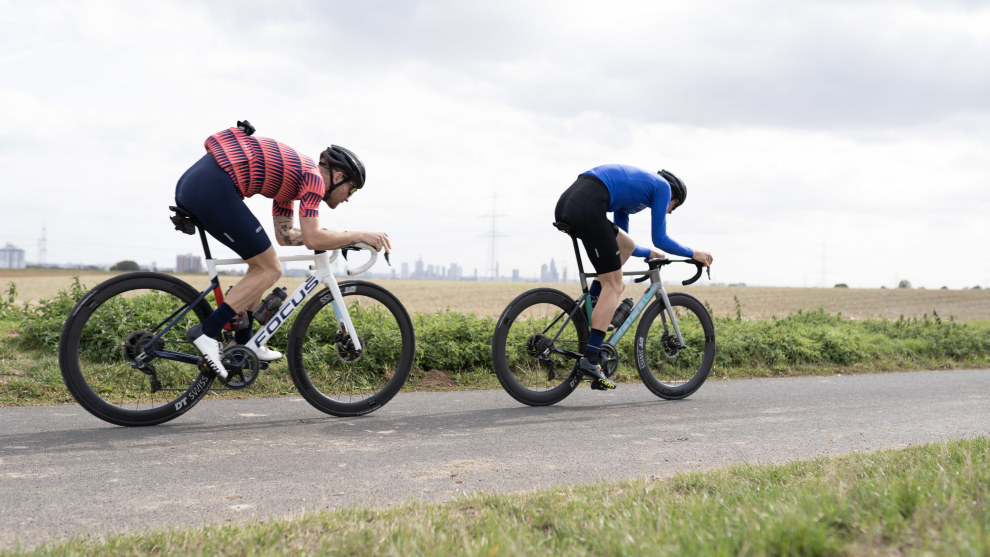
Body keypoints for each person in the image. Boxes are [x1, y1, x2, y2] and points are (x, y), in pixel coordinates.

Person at [174, 121, 390, 379]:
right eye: (351, 189)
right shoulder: (313, 178)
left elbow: (286, 235)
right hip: (212, 185)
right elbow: (313, 238)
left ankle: (245, 343)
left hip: (201, 182)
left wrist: (339, 239)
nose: (348, 198)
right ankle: (207, 333)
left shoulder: (294, 183)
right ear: (338, 177)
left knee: (261, 265)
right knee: (270, 269)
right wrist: (359, 235)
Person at [554, 164, 713, 390]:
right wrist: (693, 253)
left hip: (570, 203)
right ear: (673, 195)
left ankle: (593, 305)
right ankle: (590, 360)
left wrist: (649, 253)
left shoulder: (631, 200)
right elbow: (661, 238)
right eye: (674, 207)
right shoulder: (663, 187)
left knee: (622, 252)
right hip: (588, 205)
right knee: (616, 285)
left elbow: (622, 245)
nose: (669, 212)